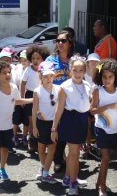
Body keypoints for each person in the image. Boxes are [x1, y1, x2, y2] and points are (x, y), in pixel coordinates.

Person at [0, 60, 32, 185]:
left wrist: (32, 99)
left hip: (8, 126)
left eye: (8, 72)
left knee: (6, 149)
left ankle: (2, 168)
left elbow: (16, 101)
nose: (7, 75)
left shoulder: (14, 88)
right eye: (3, 73)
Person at [51, 56, 90, 195]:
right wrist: (54, 128)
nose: (78, 73)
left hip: (82, 120)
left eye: (81, 70)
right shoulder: (65, 86)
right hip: (70, 120)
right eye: (75, 70)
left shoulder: (87, 85)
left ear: (85, 71)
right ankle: (73, 183)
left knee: (75, 152)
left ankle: (68, 177)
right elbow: (59, 109)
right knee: (74, 153)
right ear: (70, 70)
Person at [90, 59, 117, 196]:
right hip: (102, 129)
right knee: (106, 157)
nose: (107, 80)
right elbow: (92, 110)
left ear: (116, 76)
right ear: (99, 76)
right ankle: (101, 187)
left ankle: (99, 182)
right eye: (104, 76)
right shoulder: (98, 90)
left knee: (108, 158)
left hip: (116, 129)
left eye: (110, 77)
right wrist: (109, 106)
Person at [45, 30, 74, 173]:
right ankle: (57, 159)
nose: (60, 43)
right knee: (55, 130)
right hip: (54, 101)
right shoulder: (51, 60)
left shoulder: (74, 61)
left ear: (70, 43)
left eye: (63, 41)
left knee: (65, 131)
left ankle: (62, 157)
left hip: (70, 102)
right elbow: (43, 78)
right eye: (58, 41)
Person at [32, 61, 59, 184]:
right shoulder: (37, 91)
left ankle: (46, 172)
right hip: (41, 123)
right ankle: (43, 167)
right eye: (45, 76)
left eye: (50, 76)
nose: (48, 79)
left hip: (53, 123)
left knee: (52, 147)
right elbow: (34, 109)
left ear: (54, 76)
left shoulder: (58, 89)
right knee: (41, 148)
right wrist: (34, 127)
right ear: (41, 77)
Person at [20, 46, 50, 151]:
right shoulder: (28, 69)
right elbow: (22, 83)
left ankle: (42, 141)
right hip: (30, 96)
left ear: (43, 59)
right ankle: (32, 142)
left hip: (42, 96)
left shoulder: (45, 70)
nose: (35, 60)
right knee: (31, 120)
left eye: (38, 58)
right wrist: (22, 97)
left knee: (41, 118)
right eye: (33, 58)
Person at [12, 50, 29, 147]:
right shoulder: (18, 68)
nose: (23, 62)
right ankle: (14, 136)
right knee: (16, 119)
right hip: (18, 98)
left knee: (26, 120)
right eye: (22, 60)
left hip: (28, 98)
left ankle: (24, 137)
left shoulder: (31, 69)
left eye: (25, 60)